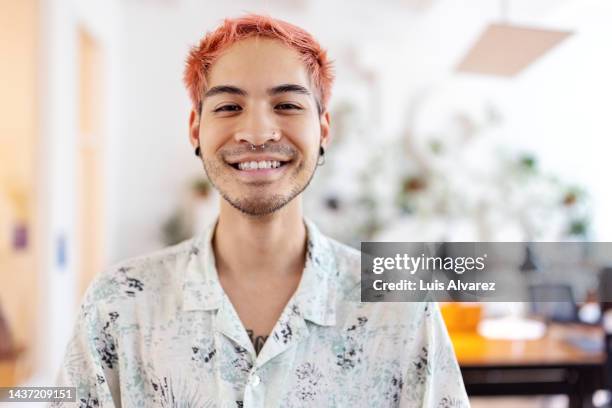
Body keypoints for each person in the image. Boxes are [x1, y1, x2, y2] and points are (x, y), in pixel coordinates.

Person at [56, 14, 469, 407]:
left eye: (287, 105)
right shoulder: (118, 305)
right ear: (195, 129)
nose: (256, 132)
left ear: (323, 129)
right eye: (228, 107)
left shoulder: (401, 308)